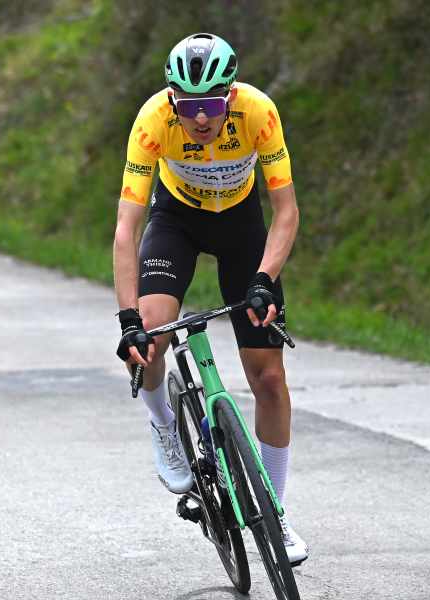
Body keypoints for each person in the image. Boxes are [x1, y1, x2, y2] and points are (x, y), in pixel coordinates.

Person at [112, 33, 307, 565]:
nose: (201, 118)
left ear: (231, 93)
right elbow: (127, 229)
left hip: (241, 226)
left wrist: (265, 278)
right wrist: (128, 317)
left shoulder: (258, 112)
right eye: (189, 105)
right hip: (175, 220)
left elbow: (285, 211)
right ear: (173, 98)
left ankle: (276, 516)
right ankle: (164, 424)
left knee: (269, 378)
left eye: (212, 104)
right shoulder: (153, 120)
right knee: (152, 337)